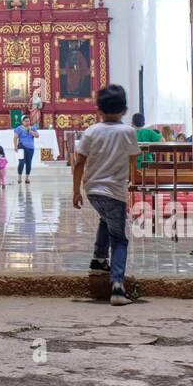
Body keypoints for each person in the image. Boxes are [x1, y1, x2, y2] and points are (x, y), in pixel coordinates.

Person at [72, 84, 139, 306]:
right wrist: (133, 180)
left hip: (93, 192)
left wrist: (76, 191)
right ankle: (118, 286)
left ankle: (99, 259)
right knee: (119, 239)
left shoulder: (91, 131)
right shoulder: (128, 132)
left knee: (105, 219)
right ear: (125, 109)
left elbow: (79, 162)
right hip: (114, 193)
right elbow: (132, 158)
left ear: (97, 109)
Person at [13, 114, 38, 184]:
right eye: (26, 121)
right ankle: (19, 177)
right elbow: (15, 137)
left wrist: (31, 131)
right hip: (21, 147)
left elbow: (37, 136)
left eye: (28, 121)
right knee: (21, 162)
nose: (27, 122)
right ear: (22, 122)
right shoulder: (18, 128)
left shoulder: (33, 128)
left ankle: (27, 178)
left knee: (28, 163)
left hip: (30, 148)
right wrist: (15, 146)